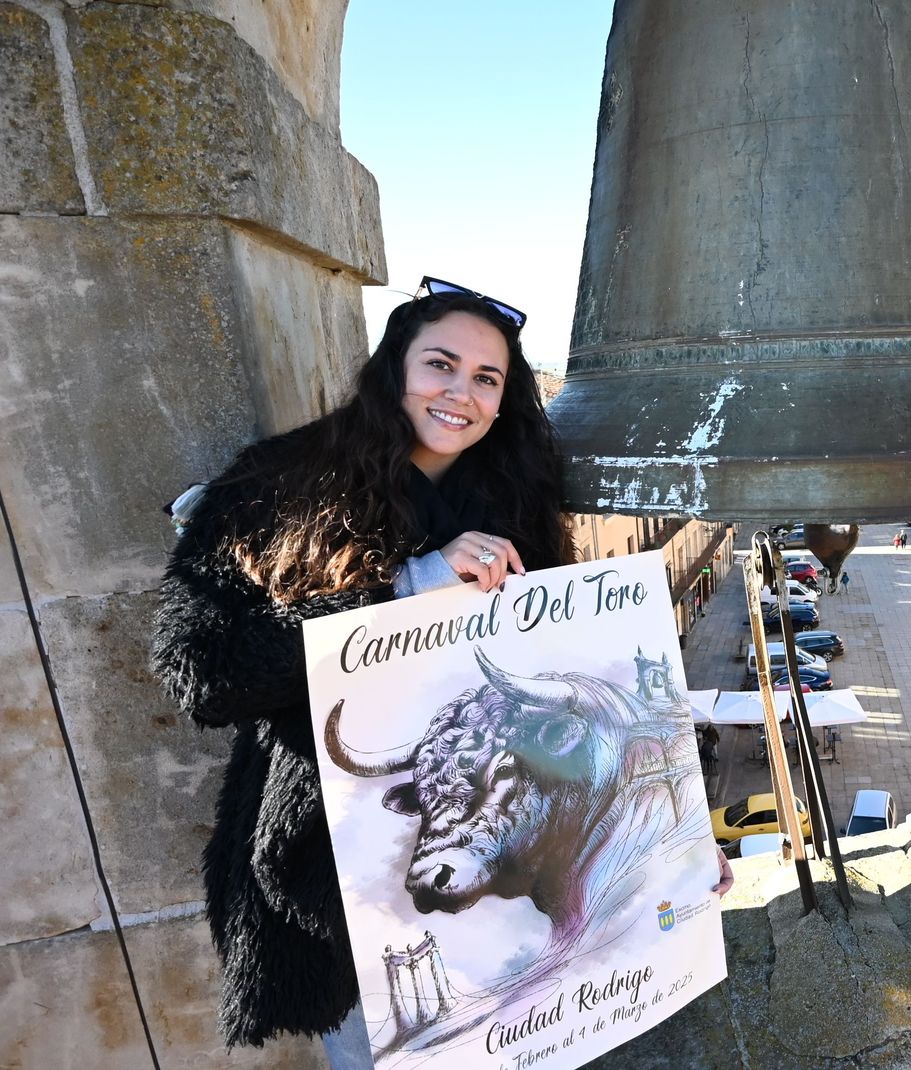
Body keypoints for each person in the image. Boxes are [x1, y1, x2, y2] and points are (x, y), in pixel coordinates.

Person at [150, 280, 732, 1065]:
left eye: (486, 378)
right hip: (337, 889)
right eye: (440, 365)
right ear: (396, 367)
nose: (461, 392)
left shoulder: (515, 499)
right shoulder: (275, 485)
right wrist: (405, 590)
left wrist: (672, 837)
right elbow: (200, 670)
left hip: (507, 881)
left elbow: (567, 682)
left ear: (503, 400)